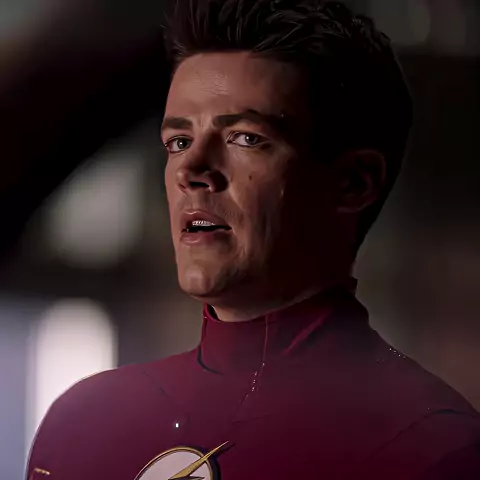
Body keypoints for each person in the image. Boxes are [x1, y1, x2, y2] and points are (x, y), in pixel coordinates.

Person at [26, 0, 480, 479]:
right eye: (179, 141)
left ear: (353, 183)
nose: (190, 169)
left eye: (245, 137)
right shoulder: (81, 424)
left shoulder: (433, 449)